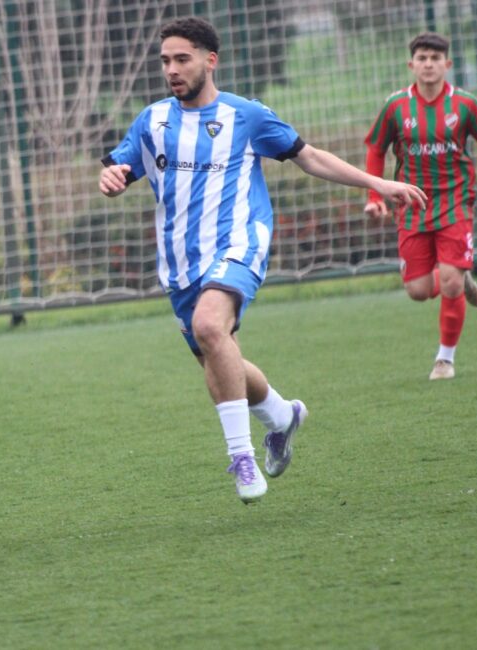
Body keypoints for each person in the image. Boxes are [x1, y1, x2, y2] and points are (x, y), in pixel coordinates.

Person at [99, 17, 426, 503]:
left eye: (182, 59)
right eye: (166, 60)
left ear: (211, 60)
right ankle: (280, 414)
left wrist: (377, 183)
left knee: (212, 329)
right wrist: (110, 177)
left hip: (239, 243)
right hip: (179, 262)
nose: (171, 69)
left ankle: (242, 457)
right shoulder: (153, 120)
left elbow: (308, 156)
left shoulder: (246, 115)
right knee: (217, 353)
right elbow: (119, 166)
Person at [364, 32, 477, 381]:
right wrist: (374, 196)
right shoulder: (396, 107)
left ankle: (445, 359)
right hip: (412, 205)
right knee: (419, 291)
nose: (429, 64)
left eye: (435, 58)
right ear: (411, 65)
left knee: (450, 284)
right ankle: (458, 272)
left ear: (448, 64)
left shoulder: (466, 105)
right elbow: (375, 150)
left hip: (456, 202)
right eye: (422, 58)